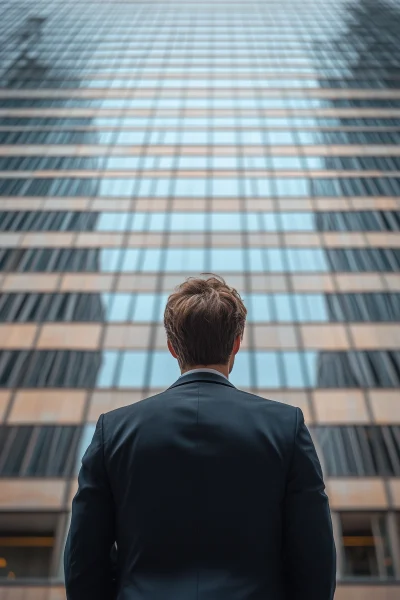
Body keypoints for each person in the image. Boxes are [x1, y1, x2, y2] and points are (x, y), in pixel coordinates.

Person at [64, 274, 336, 600]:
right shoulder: (286, 426)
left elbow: (83, 562)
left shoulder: (114, 430)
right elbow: (315, 563)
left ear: (172, 347)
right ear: (236, 342)